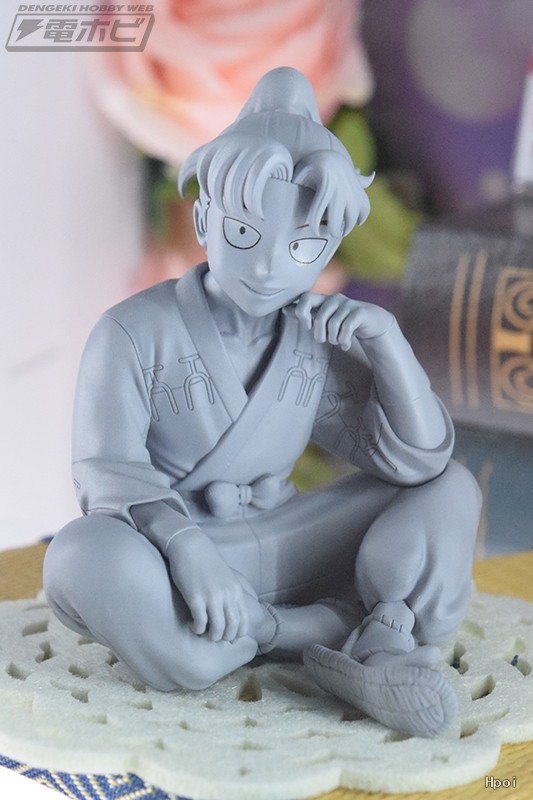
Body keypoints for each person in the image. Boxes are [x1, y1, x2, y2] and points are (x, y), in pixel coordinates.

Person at [43, 67, 481, 738]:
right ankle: (317, 634)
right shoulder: (132, 331)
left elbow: (416, 462)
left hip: (286, 542)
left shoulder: (310, 338)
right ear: (203, 220)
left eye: (302, 246)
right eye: (245, 235)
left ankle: (368, 636)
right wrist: (186, 547)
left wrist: (387, 346)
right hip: (183, 562)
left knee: (450, 488)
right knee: (79, 554)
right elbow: (107, 471)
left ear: (329, 249)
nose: (271, 267)